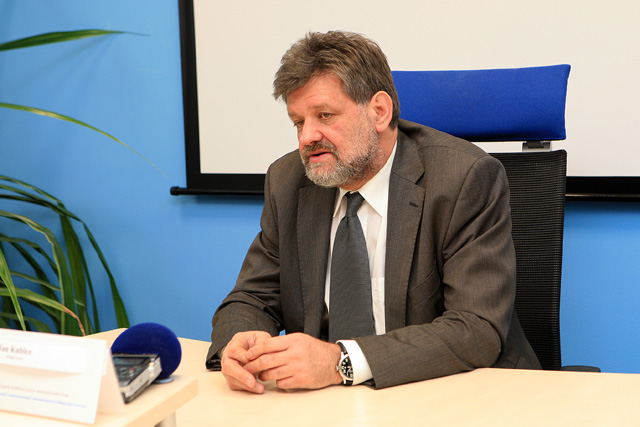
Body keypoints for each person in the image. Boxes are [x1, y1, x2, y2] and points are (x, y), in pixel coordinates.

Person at [206, 30, 540, 393]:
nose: (306, 137)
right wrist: (242, 341)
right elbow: (252, 297)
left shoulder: (463, 179)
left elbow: (475, 328)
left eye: (324, 115)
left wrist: (339, 362)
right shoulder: (287, 181)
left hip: (454, 392)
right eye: (298, 121)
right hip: (325, 403)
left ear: (379, 111)